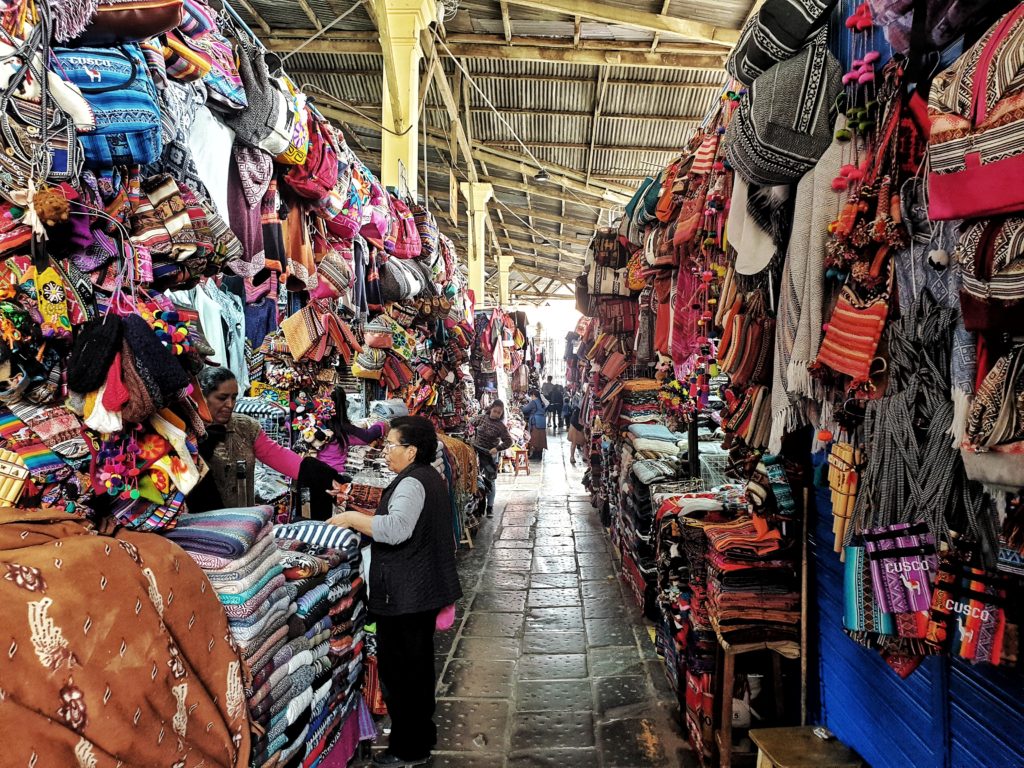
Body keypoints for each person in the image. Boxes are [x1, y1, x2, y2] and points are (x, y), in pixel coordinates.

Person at [329, 416, 461, 767]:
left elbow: (396, 529)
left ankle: (408, 749)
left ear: (411, 450)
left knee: (402, 674)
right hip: (417, 590)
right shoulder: (427, 477)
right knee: (416, 669)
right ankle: (420, 739)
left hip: (405, 594)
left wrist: (351, 519)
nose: (385, 451)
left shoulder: (412, 482)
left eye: (391, 445)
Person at [189, 367, 345, 516]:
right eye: (222, 398)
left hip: (244, 521)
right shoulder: (185, 431)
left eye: (234, 397)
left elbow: (277, 455)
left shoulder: (246, 427)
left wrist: (326, 477)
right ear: (202, 397)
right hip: (199, 524)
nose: (230, 404)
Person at [318, 386, 387, 474]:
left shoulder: (313, 425)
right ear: (343, 405)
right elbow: (368, 436)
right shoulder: (344, 428)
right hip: (335, 475)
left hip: (316, 474)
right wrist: (381, 424)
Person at [469, 400, 513, 517]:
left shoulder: (501, 426)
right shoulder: (482, 418)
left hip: (490, 455)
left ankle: (490, 507)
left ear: (501, 414)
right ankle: (477, 506)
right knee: (475, 478)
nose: (496, 414)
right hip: (476, 451)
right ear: (491, 409)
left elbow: (509, 441)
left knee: (490, 480)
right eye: (494, 411)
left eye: (499, 413)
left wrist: (497, 448)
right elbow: (470, 423)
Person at [522, 389, 547, 460]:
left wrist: (522, 407)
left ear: (533, 395)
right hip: (542, 422)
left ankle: (535, 455)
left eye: (531, 396)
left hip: (535, 422)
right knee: (541, 439)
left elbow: (525, 410)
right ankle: (539, 455)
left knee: (535, 439)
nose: (531, 397)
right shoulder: (541, 402)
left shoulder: (533, 402)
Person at [567, 394, 586, 466]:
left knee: (583, 442)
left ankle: (584, 456)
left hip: (580, 423)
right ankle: (572, 457)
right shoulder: (584, 400)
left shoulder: (584, 399)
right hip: (576, 422)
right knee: (574, 442)